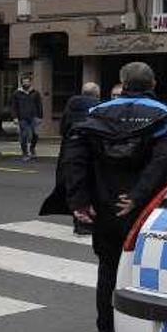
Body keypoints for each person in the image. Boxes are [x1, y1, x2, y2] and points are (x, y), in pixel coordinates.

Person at [39, 62, 167, 332]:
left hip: (105, 210)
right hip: (146, 212)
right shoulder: (166, 116)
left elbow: (72, 159)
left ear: (122, 83)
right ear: (153, 84)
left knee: (108, 272)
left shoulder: (95, 114)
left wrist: (79, 201)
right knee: (149, 274)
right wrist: (138, 196)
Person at [60, 82, 101, 236]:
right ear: (97, 94)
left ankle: (79, 223)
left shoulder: (71, 106)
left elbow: (63, 128)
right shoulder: (99, 107)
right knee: (92, 187)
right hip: (92, 152)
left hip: (71, 152)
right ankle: (89, 223)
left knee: (76, 186)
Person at [11, 76, 43, 161]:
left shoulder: (35, 93)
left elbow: (39, 105)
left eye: (27, 82)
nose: (26, 83)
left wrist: (40, 117)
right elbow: (14, 106)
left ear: (30, 82)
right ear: (21, 83)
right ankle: (25, 153)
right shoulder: (17, 93)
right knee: (24, 135)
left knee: (35, 134)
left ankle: (32, 148)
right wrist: (14, 117)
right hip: (22, 117)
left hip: (33, 117)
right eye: (24, 82)